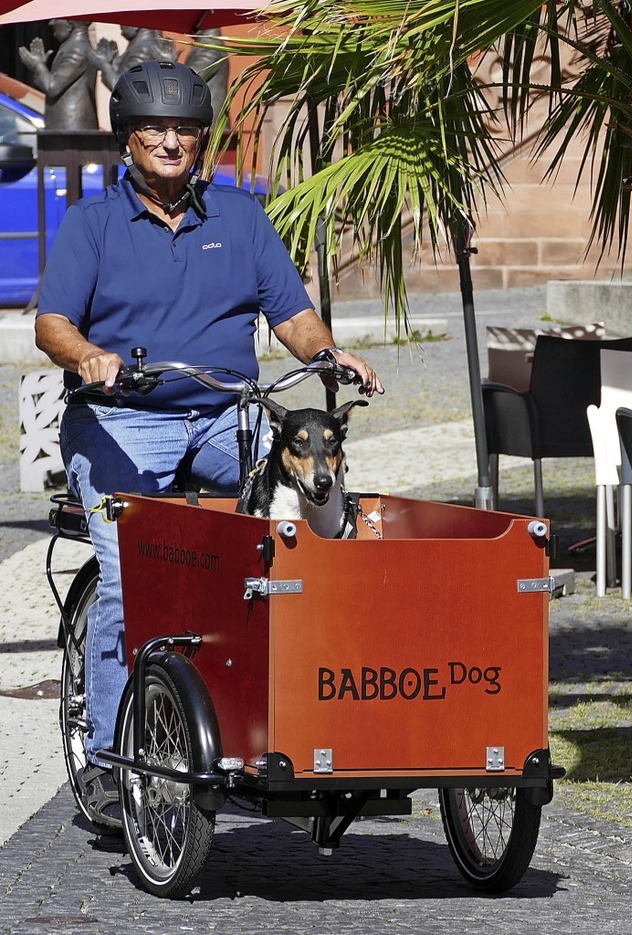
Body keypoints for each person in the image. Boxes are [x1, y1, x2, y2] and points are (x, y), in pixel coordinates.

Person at [35, 60, 383, 830]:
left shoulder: (241, 218)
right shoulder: (93, 224)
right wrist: (86, 355)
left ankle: (296, 719)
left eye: (186, 129)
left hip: (229, 416)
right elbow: (51, 322)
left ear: (202, 141)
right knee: (130, 579)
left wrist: (328, 353)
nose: (171, 140)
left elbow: (291, 315)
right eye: (155, 128)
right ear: (128, 139)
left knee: (306, 532)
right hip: (123, 421)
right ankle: (104, 759)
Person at [18, 19, 98, 130]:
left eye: (56, 19)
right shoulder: (71, 47)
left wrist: (38, 66)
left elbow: (52, 86)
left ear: (70, 24)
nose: (51, 23)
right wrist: (41, 66)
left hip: (71, 130)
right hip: (66, 129)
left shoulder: (77, 50)